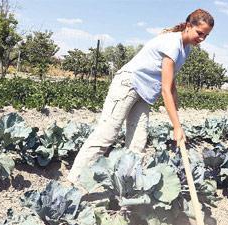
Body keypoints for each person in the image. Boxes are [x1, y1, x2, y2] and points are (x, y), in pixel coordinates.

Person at [67, 8, 214, 185]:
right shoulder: (173, 43)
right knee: (107, 134)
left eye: (206, 36)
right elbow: (165, 90)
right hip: (128, 85)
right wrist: (176, 127)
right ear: (189, 26)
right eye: (200, 33)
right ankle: (74, 180)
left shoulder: (186, 49)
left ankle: (127, 188)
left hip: (144, 93)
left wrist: (178, 122)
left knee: (137, 143)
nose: (202, 39)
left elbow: (172, 86)